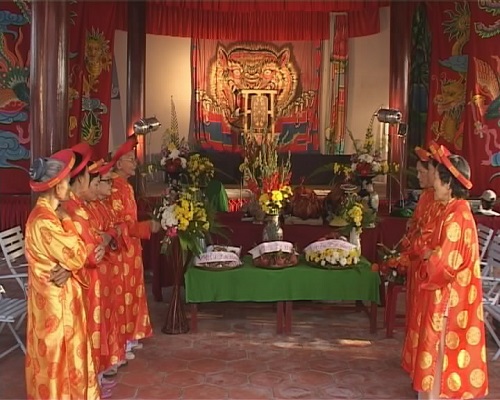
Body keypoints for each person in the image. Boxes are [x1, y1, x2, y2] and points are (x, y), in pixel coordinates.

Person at [412, 143, 488, 399]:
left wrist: (426, 255)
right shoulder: (454, 210)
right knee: (439, 348)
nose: (432, 186)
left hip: (448, 297)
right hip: (449, 293)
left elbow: (444, 265)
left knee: (440, 349)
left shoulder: (457, 216)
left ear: (447, 184)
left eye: (436, 180)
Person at [24, 149, 99, 400]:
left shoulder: (48, 215)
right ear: (56, 186)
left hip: (59, 301)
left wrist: (68, 267)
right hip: (56, 306)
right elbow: (77, 253)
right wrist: (68, 222)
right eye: (67, 182)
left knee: (61, 359)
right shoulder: (46, 220)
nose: (69, 186)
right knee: (57, 361)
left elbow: (71, 259)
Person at [105, 136, 161, 357]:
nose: (135, 163)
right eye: (130, 159)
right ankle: (122, 340)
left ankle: (131, 334)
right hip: (121, 251)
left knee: (133, 291)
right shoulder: (116, 189)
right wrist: (148, 226)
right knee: (122, 295)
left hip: (131, 250)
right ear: (118, 164)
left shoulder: (125, 187)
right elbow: (120, 225)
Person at [400, 145, 444, 377]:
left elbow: (428, 239)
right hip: (420, 266)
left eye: (422, 172)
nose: (418, 176)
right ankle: (417, 368)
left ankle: (425, 373)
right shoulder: (428, 196)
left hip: (432, 272)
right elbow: (417, 227)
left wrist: (415, 242)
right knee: (415, 318)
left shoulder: (448, 207)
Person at [87, 158, 127, 379]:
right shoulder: (85, 209)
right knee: (99, 317)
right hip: (95, 273)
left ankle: (110, 357)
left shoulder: (101, 206)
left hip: (107, 268)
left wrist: (110, 236)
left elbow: (115, 228)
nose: (111, 188)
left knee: (109, 314)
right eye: (105, 183)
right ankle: (102, 363)